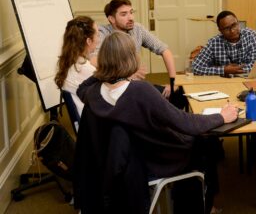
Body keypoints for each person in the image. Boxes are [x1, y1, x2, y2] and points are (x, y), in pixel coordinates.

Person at [76, 31, 239, 212]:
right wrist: (222, 116)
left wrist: (105, 70)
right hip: (154, 159)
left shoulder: (94, 93)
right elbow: (183, 122)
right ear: (132, 58)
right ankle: (203, 207)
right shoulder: (139, 92)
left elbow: (81, 88)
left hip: (128, 161)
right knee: (205, 143)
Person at [97, 0, 177, 98]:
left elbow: (165, 50)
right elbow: (95, 62)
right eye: (124, 14)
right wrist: (127, 74)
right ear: (111, 19)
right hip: (114, 90)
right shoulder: (102, 33)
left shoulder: (137, 29)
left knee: (178, 94)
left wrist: (173, 83)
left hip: (135, 86)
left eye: (131, 12)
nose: (130, 18)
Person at [191, 10, 256, 75]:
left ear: (238, 23)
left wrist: (235, 70)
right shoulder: (214, 43)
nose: (232, 31)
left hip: (246, 80)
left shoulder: (250, 35)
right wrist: (223, 70)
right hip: (223, 83)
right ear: (220, 30)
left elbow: (255, 66)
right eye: (227, 28)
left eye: (234, 25)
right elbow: (195, 68)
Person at [54, 16, 99, 116]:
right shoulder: (86, 69)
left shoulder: (66, 63)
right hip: (91, 125)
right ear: (89, 41)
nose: (98, 39)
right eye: (97, 35)